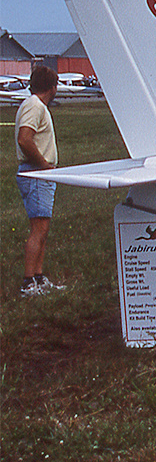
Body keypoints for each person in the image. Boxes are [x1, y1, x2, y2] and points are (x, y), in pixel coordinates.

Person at [15, 66, 65, 296]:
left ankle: (38, 277)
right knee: (39, 228)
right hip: (36, 174)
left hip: (42, 175)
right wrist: (43, 165)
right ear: (52, 87)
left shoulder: (37, 106)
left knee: (43, 228)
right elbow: (25, 139)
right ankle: (27, 283)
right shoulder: (34, 106)